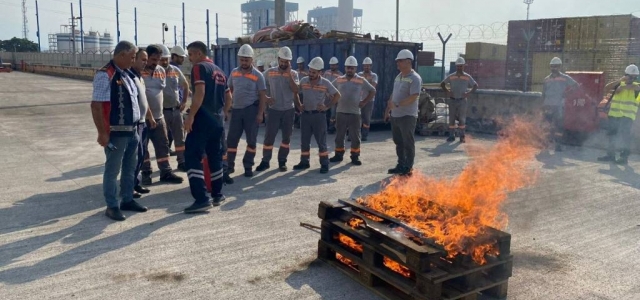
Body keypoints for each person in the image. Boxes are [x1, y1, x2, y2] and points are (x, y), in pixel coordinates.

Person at [90, 40, 148, 221]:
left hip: (132, 130)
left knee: (130, 167)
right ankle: (112, 205)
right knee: (113, 169)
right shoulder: (105, 74)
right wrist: (102, 132)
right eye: (131, 57)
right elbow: (97, 106)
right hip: (116, 132)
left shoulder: (127, 73)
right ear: (121, 55)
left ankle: (127, 199)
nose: (133, 60)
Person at [182, 41, 229, 213]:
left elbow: (199, 93)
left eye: (191, 54)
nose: (190, 58)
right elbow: (228, 97)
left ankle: (201, 198)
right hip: (218, 120)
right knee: (214, 156)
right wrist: (222, 113)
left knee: (192, 155)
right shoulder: (220, 71)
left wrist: (191, 115)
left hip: (202, 119)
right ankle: (217, 194)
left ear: (199, 53)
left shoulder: (199, 68)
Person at [140, 45, 184, 185]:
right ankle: (146, 173)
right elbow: (140, 97)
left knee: (163, 145)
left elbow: (160, 93)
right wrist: (149, 116)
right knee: (143, 147)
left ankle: (165, 172)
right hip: (144, 118)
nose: (156, 62)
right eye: (153, 59)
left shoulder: (160, 71)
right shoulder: (139, 72)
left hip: (160, 117)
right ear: (147, 58)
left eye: (158, 60)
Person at [256, 46, 302, 172]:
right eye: (281, 61)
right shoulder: (270, 72)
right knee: (269, 137)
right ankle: (265, 161)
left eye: (286, 62)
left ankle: (282, 161)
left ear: (289, 62)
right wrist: (265, 98)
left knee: (286, 138)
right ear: (278, 59)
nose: (283, 63)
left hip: (289, 110)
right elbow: (259, 87)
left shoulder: (294, 74)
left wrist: (288, 75)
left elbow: (296, 90)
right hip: (274, 110)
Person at [225, 44, 268, 178]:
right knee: (231, 140)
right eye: (242, 59)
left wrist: (261, 113)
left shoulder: (258, 75)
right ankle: (229, 166)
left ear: (252, 60)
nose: (244, 62)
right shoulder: (234, 72)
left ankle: (248, 166)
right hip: (236, 111)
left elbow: (262, 95)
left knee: (251, 140)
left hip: (251, 110)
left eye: (246, 60)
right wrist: (227, 108)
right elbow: (228, 90)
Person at [294, 57, 341, 173]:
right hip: (305, 115)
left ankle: (324, 164)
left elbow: (337, 95)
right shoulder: (304, 81)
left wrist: (327, 106)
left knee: (321, 141)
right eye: (310, 71)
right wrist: (299, 104)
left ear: (320, 72)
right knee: (304, 141)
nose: (311, 74)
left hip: (318, 116)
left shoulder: (325, 83)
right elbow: (295, 92)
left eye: (314, 72)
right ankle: (304, 162)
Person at [329, 56, 376, 166]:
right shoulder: (339, 79)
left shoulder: (361, 80)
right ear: (345, 68)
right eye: (348, 68)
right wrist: (333, 99)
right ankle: (338, 154)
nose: (350, 70)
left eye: (352, 68)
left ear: (355, 68)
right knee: (339, 135)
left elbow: (372, 91)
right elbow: (329, 88)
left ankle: (355, 156)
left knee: (355, 136)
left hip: (355, 113)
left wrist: (364, 102)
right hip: (340, 112)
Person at [384, 49, 422, 176]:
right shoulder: (398, 77)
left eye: (400, 61)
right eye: (397, 61)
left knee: (408, 143)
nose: (397, 63)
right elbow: (393, 94)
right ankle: (401, 164)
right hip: (395, 115)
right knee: (398, 142)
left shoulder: (415, 78)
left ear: (408, 61)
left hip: (407, 116)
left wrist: (398, 104)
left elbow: (414, 97)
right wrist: (388, 109)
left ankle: (408, 167)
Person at [597, 64, 640, 165]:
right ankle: (610, 155)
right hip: (614, 114)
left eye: (635, 77)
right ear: (626, 75)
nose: (633, 78)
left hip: (627, 116)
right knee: (612, 135)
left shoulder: (636, 86)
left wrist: (622, 87)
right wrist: (619, 81)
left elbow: (635, 87)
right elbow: (606, 88)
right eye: (631, 76)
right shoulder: (619, 84)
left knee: (625, 136)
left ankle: (624, 157)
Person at [159, 44, 190, 172]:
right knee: (163, 140)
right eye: (162, 59)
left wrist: (183, 102)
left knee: (179, 138)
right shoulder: (154, 72)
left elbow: (186, 85)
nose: (165, 62)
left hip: (175, 110)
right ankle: (165, 168)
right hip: (162, 112)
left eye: (166, 59)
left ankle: (181, 162)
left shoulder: (175, 70)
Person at [131, 48, 154, 199]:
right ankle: (128, 187)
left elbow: (143, 101)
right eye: (142, 59)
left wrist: (150, 117)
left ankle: (135, 183)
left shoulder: (139, 77)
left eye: (146, 60)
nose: (145, 62)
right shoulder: (129, 77)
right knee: (132, 157)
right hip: (134, 124)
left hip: (143, 123)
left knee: (140, 155)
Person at [440, 57, 478, 143]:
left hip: (462, 100)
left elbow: (475, 85)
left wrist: (468, 93)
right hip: (452, 100)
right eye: (458, 66)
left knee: (462, 119)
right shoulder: (451, 76)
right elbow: (442, 84)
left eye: (461, 66)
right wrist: (448, 91)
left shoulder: (467, 77)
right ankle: (451, 136)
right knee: (451, 119)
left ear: (464, 66)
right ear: (456, 66)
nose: (459, 68)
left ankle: (462, 136)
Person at [167, 45, 187, 154]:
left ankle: (169, 149)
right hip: (172, 106)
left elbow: (182, 86)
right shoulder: (172, 69)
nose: (183, 59)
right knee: (173, 131)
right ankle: (168, 149)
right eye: (181, 57)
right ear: (174, 56)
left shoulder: (175, 69)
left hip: (176, 104)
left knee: (174, 130)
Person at [358, 57, 379, 141]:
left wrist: (365, 85)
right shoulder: (359, 74)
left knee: (366, 118)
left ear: (371, 66)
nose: (366, 67)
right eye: (365, 66)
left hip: (369, 100)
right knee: (357, 118)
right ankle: (354, 135)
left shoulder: (374, 76)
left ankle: (364, 135)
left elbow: (373, 87)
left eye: (368, 66)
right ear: (363, 66)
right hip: (359, 99)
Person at [324, 57, 343, 134]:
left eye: (334, 65)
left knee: (333, 113)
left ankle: (331, 128)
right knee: (324, 111)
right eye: (331, 65)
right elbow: (323, 83)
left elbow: (340, 87)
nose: (332, 66)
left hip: (334, 97)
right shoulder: (326, 73)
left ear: (337, 65)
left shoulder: (340, 75)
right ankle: (324, 127)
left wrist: (334, 95)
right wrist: (326, 93)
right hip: (325, 96)